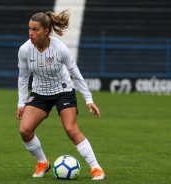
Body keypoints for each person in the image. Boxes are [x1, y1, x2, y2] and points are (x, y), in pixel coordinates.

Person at [16, 9, 106, 180]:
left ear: (46, 31)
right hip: (40, 93)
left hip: (63, 91)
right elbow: (23, 77)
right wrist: (21, 103)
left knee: (71, 130)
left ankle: (96, 169)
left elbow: (76, 74)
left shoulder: (60, 49)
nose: (31, 33)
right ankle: (42, 162)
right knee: (25, 130)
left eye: (35, 29)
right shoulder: (24, 50)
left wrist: (89, 99)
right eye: (29, 29)